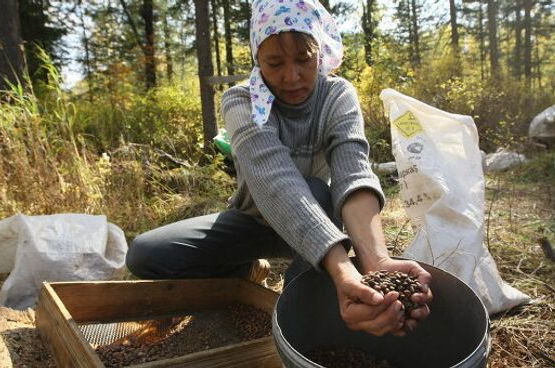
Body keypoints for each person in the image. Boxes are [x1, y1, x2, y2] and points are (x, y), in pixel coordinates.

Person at [126, 0, 432, 337]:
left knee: (316, 189)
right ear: (257, 58)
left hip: (319, 225)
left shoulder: (337, 95)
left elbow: (353, 173)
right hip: (252, 221)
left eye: (304, 59)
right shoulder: (241, 100)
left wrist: (374, 263)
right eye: (274, 62)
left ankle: (299, 304)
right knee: (145, 254)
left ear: (321, 52)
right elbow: (274, 180)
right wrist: (343, 268)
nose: (292, 76)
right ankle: (244, 270)